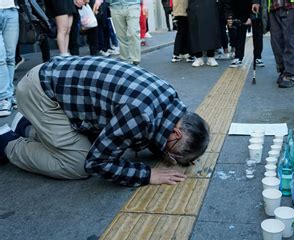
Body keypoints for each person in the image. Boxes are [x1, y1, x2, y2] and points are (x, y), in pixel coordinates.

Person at [0, 56, 210, 186]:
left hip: (52, 80)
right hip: (40, 94)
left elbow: (153, 132)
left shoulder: (169, 99)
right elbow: (98, 163)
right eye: (173, 155)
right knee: (78, 164)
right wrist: (146, 175)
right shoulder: (140, 116)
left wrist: (179, 153)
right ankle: (9, 143)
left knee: (93, 146)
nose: (169, 157)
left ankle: (25, 127)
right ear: (177, 133)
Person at [253, 0, 294, 88]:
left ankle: (290, 73)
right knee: (276, 42)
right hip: (273, 7)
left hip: (290, 5)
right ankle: (283, 70)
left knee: (290, 40)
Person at [109, 0, 144, 65]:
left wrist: (145, 5)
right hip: (115, 7)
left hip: (132, 5)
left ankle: (135, 61)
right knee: (121, 35)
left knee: (133, 33)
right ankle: (125, 60)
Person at [0, 0, 19, 117]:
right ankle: (3, 98)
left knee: (10, 57)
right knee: (0, 59)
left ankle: (9, 95)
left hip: (11, 10)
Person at [187, 0, 220, 67]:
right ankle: (198, 57)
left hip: (210, 6)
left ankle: (211, 56)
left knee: (210, 31)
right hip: (194, 6)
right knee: (195, 32)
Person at [223, 0, 252, 68]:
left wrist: (251, 16)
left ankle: (256, 56)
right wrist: (228, 16)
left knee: (242, 33)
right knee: (235, 33)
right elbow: (227, 3)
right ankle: (237, 56)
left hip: (247, 9)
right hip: (233, 10)